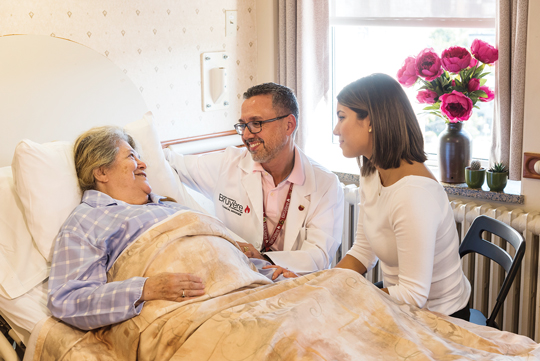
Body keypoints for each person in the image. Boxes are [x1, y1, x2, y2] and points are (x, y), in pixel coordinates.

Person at [47, 126, 295, 331]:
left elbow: (220, 256)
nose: (143, 164)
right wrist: (145, 288)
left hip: (250, 289)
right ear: (101, 172)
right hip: (200, 311)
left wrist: (269, 269)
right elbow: (67, 300)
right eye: (131, 156)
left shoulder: (168, 206)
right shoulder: (86, 220)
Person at [165, 83, 344, 276]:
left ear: (289, 125)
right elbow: (170, 162)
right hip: (239, 278)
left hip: (291, 283)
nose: (246, 135)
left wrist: (264, 259)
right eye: (243, 125)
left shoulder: (325, 184)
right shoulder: (228, 164)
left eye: (256, 123)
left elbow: (318, 254)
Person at [333, 73, 471, 320]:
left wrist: (351, 296)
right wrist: (321, 285)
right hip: (402, 306)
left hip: (439, 318)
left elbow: (414, 294)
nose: (336, 130)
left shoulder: (413, 195)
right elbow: (363, 251)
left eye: (342, 117)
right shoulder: (371, 171)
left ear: (370, 121)